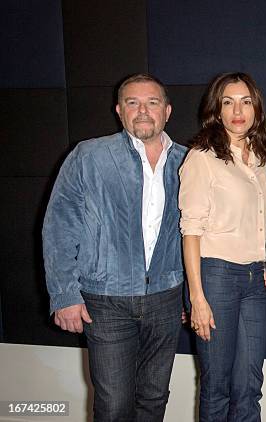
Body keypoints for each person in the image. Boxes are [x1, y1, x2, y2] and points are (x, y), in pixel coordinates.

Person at [42, 73, 187, 421]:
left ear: (166, 111)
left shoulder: (189, 162)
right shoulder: (89, 156)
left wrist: (191, 296)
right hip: (105, 302)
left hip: (166, 299)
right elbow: (59, 226)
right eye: (132, 103)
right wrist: (64, 295)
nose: (142, 111)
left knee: (154, 400)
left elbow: (196, 236)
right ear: (119, 110)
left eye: (152, 102)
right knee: (113, 405)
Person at [179, 72, 266, 422]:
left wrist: (261, 264)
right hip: (216, 276)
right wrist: (197, 298)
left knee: (249, 385)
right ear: (216, 110)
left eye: (246, 101)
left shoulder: (258, 158)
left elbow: (257, 219)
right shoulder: (202, 157)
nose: (238, 110)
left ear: (256, 108)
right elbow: (190, 230)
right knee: (217, 386)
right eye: (228, 101)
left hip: (254, 280)